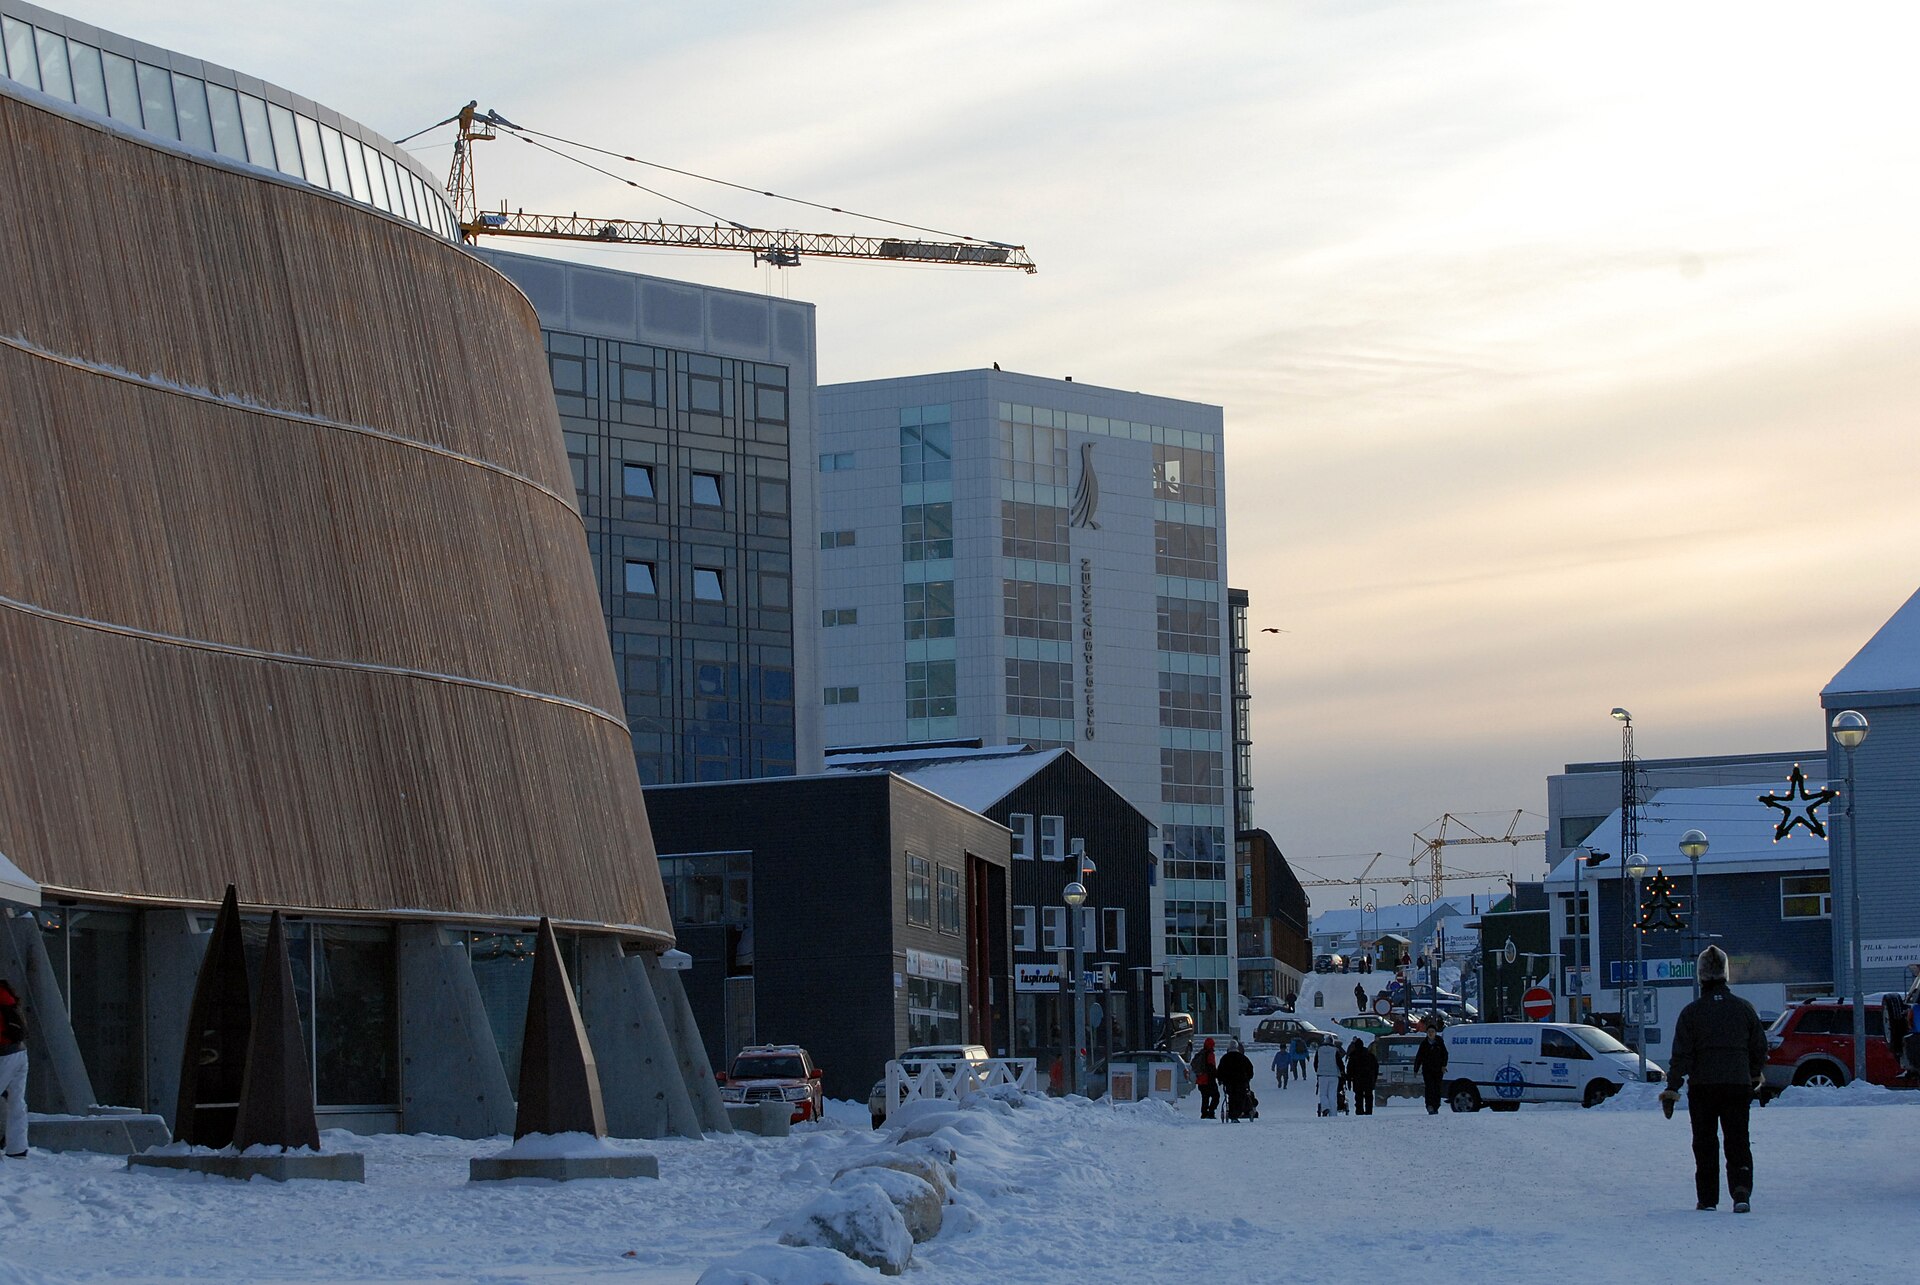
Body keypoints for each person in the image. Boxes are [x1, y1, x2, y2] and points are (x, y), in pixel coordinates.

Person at [1660, 945, 1768, 1213]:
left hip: (1703, 1088)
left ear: (1700, 976)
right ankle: (1741, 1191)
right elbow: (1759, 1047)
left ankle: (1708, 1198)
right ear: (1726, 974)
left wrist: (1672, 1087)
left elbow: (1681, 1055)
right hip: (1737, 1085)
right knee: (1738, 1140)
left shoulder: (1691, 1013)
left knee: (1705, 1142)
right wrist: (1753, 1073)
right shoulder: (1744, 1009)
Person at [0, 978, 26, 1158]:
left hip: (4, 1055)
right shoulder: (7, 993)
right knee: (17, 1101)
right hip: (20, 1052)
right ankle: (18, 1149)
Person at [1217, 1040, 1257, 1121]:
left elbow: (1220, 1070)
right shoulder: (1243, 1058)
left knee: (1231, 1097)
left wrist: (1220, 1080)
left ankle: (1233, 1115)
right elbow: (1250, 1069)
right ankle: (1239, 1112)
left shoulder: (1225, 1058)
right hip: (1241, 1082)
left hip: (1229, 1082)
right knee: (1240, 1097)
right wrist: (1248, 1078)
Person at [1413, 1025, 1448, 1115]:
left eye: (1432, 1031)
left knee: (1437, 1088)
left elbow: (1445, 1055)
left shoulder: (1439, 1043)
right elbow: (1419, 1057)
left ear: (1435, 1033)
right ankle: (1429, 1105)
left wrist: (1443, 1065)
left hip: (1438, 1070)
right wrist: (1416, 1069)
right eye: (1429, 1032)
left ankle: (1436, 1106)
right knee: (1429, 1088)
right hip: (1427, 1070)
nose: (1431, 1033)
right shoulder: (1424, 1044)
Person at [1347, 1036, 1379, 1116]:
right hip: (1368, 1079)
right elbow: (1375, 1067)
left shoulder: (1353, 1056)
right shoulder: (1370, 1055)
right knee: (1368, 1096)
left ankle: (1359, 1111)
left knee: (1358, 1097)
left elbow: (1349, 1069)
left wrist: (1349, 1081)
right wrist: (1374, 1079)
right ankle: (1369, 1111)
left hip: (1357, 1080)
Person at [1313, 1034, 1343, 1118]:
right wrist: (1342, 1071)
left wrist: (1318, 1071)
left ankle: (1325, 1107)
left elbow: (1315, 1063)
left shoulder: (1319, 1050)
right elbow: (1339, 1062)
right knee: (1332, 1095)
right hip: (1334, 1075)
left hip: (1322, 1075)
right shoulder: (1335, 1050)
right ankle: (1333, 1114)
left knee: (1323, 1094)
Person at [1193, 1036, 1220, 1119]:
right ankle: (1211, 1112)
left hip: (1201, 1080)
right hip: (1208, 1080)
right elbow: (1211, 1068)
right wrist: (1217, 1076)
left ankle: (1204, 1113)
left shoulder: (1201, 1053)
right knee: (1216, 1096)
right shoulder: (1210, 1054)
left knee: (1205, 1097)